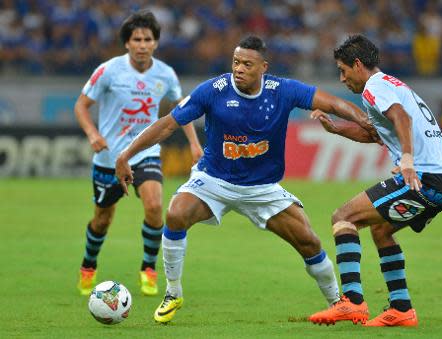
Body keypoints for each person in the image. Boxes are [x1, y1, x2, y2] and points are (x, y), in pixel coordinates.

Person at [115, 35, 378, 323]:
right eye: (236, 62)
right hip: (214, 181)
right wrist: (126, 155)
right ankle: (173, 292)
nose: (239, 68)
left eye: (247, 64)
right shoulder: (213, 90)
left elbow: (332, 104)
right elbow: (167, 125)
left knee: (309, 241)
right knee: (176, 214)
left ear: (263, 67)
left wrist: (363, 120)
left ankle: (338, 302)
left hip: (262, 189)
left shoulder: (283, 90)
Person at [308, 34, 442, 327]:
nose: (341, 78)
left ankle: (351, 302)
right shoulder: (391, 85)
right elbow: (373, 133)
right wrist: (337, 128)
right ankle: (402, 309)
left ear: (357, 64)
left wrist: (406, 159)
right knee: (380, 230)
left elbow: (402, 118)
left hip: (426, 177)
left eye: (343, 70)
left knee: (344, 217)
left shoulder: (374, 87)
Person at [75, 10, 203, 297]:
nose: (142, 44)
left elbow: (180, 111)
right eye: (137, 39)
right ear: (127, 43)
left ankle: (148, 268)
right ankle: (88, 265)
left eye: (148, 39)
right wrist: (93, 134)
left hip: (146, 153)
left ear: (156, 43)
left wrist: (194, 143)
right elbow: (81, 106)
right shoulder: (108, 71)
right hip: (109, 159)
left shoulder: (166, 74)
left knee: (156, 206)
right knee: (102, 218)